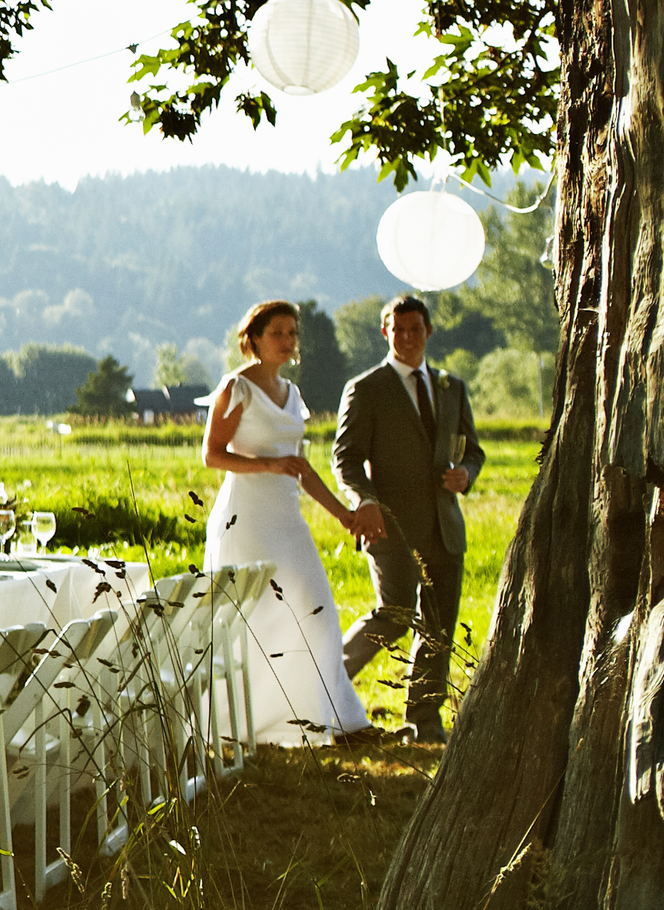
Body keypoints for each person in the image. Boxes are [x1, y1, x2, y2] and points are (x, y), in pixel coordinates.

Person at [202, 296, 386, 741]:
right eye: (277, 333)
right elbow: (211, 455)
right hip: (246, 517)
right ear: (254, 340)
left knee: (316, 609)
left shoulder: (293, 394)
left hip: (287, 519)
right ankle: (240, 725)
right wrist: (267, 465)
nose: (286, 341)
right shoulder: (236, 388)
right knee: (251, 617)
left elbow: (301, 467)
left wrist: (344, 514)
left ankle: (338, 719)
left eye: (292, 333)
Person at [336, 293, 480, 745]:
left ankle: (424, 720)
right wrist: (364, 500)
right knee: (395, 614)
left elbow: (472, 450)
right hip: (389, 524)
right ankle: (324, 690)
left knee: (438, 624)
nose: (407, 337)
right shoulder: (366, 388)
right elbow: (345, 459)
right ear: (385, 333)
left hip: (444, 525)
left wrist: (466, 475)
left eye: (415, 329)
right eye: (398, 330)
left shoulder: (451, 387)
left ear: (428, 332)